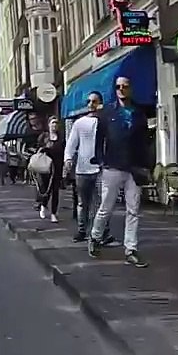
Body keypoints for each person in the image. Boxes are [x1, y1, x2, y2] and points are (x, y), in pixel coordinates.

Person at [89, 76, 153, 267]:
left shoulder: (139, 113)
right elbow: (99, 139)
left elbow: (144, 142)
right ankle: (95, 237)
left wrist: (147, 165)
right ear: (114, 89)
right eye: (118, 87)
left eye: (125, 86)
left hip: (134, 168)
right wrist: (100, 160)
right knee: (106, 206)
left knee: (133, 209)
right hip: (113, 166)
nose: (121, 90)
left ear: (130, 89)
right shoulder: (107, 113)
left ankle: (131, 249)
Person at [65, 91, 115, 245]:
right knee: (83, 202)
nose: (91, 105)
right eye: (89, 101)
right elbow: (71, 144)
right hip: (82, 168)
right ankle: (82, 230)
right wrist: (68, 159)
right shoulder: (79, 123)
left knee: (102, 203)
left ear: (100, 103)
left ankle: (103, 233)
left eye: (94, 101)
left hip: (101, 168)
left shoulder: (106, 121)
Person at [34, 116, 65, 223]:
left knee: (55, 191)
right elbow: (38, 149)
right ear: (48, 125)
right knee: (45, 189)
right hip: (45, 167)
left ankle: (53, 213)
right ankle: (43, 205)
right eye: (52, 123)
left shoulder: (61, 138)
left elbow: (63, 152)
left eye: (56, 123)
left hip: (57, 167)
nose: (54, 125)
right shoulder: (44, 137)